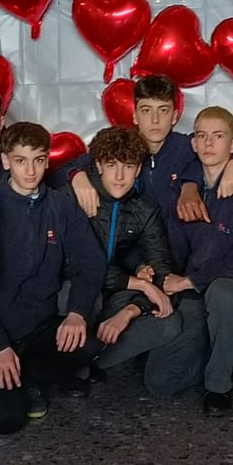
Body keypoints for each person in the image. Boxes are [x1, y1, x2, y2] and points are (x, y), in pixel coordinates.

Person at [0, 122, 105, 433]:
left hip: (39, 329)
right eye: (21, 160)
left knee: (87, 344)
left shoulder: (61, 206)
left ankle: (30, 377)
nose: (31, 170)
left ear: (47, 161)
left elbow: (92, 261)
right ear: (5, 161)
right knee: (8, 421)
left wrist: (76, 313)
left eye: (38, 160)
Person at [145, 107, 233, 413]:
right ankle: (226, 347)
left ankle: (218, 385)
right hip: (193, 294)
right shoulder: (182, 195)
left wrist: (188, 281)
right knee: (159, 382)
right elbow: (169, 249)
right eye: (201, 136)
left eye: (218, 136)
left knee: (223, 293)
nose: (208, 143)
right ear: (193, 143)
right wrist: (161, 277)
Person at [68, 73, 233, 232]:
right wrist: (77, 176)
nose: (155, 120)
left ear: (174, 116)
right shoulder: (120, 148)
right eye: (146, 110)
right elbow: (61, 170)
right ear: (135, 116)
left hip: (181, 252)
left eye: (163, 110)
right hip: (131, 251)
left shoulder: (189, 146)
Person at [78, 127, 180, 375]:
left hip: (115, 292)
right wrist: (138, 283)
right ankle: (74, 366)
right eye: (112, 165)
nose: (120, 176)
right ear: (99, 166)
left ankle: (94, 360)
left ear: (138, 169)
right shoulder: (76, 197)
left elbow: (161, 270)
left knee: (169, 321)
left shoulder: (144, 209)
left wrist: (130, 311)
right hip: (75, 293)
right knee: (77, 293)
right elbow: (75, 266)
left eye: (128, 166)